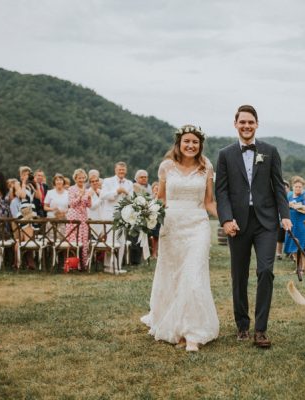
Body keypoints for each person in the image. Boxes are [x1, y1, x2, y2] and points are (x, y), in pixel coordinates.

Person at [215, 105, 291, 349]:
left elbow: (278, 186)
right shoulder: (225, 154)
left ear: (257, 124)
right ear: (235, 124)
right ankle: (241, 325)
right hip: (238, 222)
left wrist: (285, 215)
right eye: (242, 122)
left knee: (265, 271)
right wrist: (226, 219)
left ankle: (260, 329)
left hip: (266, 221)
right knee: (239, 275)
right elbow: (222, 191)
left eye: (251, 122)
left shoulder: (270, 151)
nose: (246, 126)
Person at [141, 124, 219, 352]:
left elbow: (209, 202)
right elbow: (161, 199)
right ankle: (176, 325)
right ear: (179, 143)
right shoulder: (166, 167)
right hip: (172, 226)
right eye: (187, 141)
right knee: (173, 276)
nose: (191, 145)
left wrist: (226, 220)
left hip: (198, 225)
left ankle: (193, 333)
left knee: (193, 276)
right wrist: (144, 214)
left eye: (195, 142)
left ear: (200, 145)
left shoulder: (206, 167)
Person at [101, 162, 133, 273]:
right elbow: (103, 196)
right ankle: (109, 266)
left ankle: (118, 266)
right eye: (119, 170)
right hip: (110, 215)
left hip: (123, 215)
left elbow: (132, 198)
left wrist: (126, 193)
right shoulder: (107, 181)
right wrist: (116, 191)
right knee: (111, 241)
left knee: (122, 241)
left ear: (126, 171)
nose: (121, 172)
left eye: (123, 170)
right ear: (115, 170)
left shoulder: (129, 183)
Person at [284, 176, 305, 273]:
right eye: (296, 186)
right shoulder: (289, 196)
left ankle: (303, 268)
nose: (298, 188)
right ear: (293, 186)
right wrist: (288, 205)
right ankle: (298, 268)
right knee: (293, 246)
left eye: (300, 187)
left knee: (302, 246)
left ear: (303, 187)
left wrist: (301, 206)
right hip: (292, 224)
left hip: (303, 225)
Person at [66, 169, 92, 270]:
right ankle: (73, 265)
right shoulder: (71, 189)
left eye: (83, 177)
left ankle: (83, 264)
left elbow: (89, 206)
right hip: (74, 216)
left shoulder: (87, 189)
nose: (81, 179)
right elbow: (71, 204)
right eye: (79, 178)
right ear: (75, 179)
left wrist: (89, 198)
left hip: (83, 216)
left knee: (84, 241)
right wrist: (80, 196)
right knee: (74, 240)